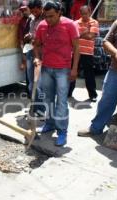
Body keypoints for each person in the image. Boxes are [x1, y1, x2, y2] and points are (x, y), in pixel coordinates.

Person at [78, 0, 117, 146]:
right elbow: (106, 42)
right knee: (106, 101)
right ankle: (96, 128)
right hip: (115, 70)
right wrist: (116, 52)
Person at [33, 0, 80, 146]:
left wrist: (74, 69)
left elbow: (77, 48)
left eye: (51, 16)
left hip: (63, 70)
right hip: (46, 68)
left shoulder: (70, 25)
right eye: (46, 16)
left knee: (61, 101)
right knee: (47, 99)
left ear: (60, 13)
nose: (48, 20)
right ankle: (50, 123)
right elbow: (36, 44)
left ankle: (62, 131)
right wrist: (36, 57)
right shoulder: (42, 25)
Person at [68, 5, 99, 102]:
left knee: (89, 74)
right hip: (75, 51)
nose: (85, 15)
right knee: (73, 72)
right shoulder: (75, 23)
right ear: (80, 14)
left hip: (88, 52)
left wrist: (80, 35)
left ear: (90, 12)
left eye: (87, 13)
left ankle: (92, 94)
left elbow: (91, 36)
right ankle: (68, 92)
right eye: (83, 14)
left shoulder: (94, 22)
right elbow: (73, 38)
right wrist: (83, 33)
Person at [25, 0, 45, 116]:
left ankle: (41, 110)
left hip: (41, 54)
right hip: (30, 51)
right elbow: (32, 34)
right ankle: (35, 106)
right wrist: (29, 36)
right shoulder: (32, 19)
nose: (34, 13)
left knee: (39, 83)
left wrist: (34, 38)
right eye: (32, 11)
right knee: (31, 83)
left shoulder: (47, 20)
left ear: (41, 7)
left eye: (36, 11)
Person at [18, 0, 32, 96]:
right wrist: (23, 53)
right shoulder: (21, 21)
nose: (24, 12)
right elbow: (21, 39)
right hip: (27, 47)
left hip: (37, 47)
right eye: (22, 10)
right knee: (28, 71)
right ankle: (29, 91)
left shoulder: (35, 19)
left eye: (25, 10)